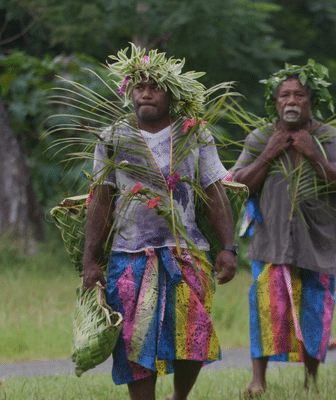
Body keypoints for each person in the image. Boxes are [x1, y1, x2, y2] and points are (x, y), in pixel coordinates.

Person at [81, 44, 237, 400]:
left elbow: (215, 192)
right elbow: (101, 199)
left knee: (193, 336)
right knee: (134, 342)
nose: (146, 93)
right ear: (130, 93)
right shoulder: (113, 137)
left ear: (171, 91)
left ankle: (179, 398)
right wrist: (90, 259)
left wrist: (228, 248)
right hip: (130, 256)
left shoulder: (194, 132)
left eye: (154, 86)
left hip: (187, 253)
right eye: (139, 87)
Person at [232, 61, 336, 396]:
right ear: (275, 102)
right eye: (285, 95)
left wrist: (314, 156)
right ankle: (258, 381)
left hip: (316, 242)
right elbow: (238, 184)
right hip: (270, 242)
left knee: (315, 311)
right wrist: (268, 155)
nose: (292, 100)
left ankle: (311, 380)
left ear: (310, 100)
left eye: (299, 95)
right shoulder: (261, 137)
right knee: (264, 308)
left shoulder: (327, 137)